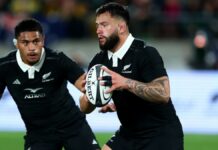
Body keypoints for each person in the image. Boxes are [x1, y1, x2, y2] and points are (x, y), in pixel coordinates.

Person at [80, 2, 184, 150]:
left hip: (160, 134)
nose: (98, 30)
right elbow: (84, 108)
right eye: (97, 25)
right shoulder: (99, 61)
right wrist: (92, 95)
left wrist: (125, 83)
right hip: (129, 134)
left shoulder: (145, 53)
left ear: (121, 27)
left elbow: (163, 93)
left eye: (104, 25)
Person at [0, 18, 100, 150]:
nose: (32, 48)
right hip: (39, 134)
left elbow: (86, 88)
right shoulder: (5, 67)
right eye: (25, 42)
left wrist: (92, 95)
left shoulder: (58, 60)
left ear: (43, 40)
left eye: (36, 41)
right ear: (16, 44)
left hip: (73, 127)